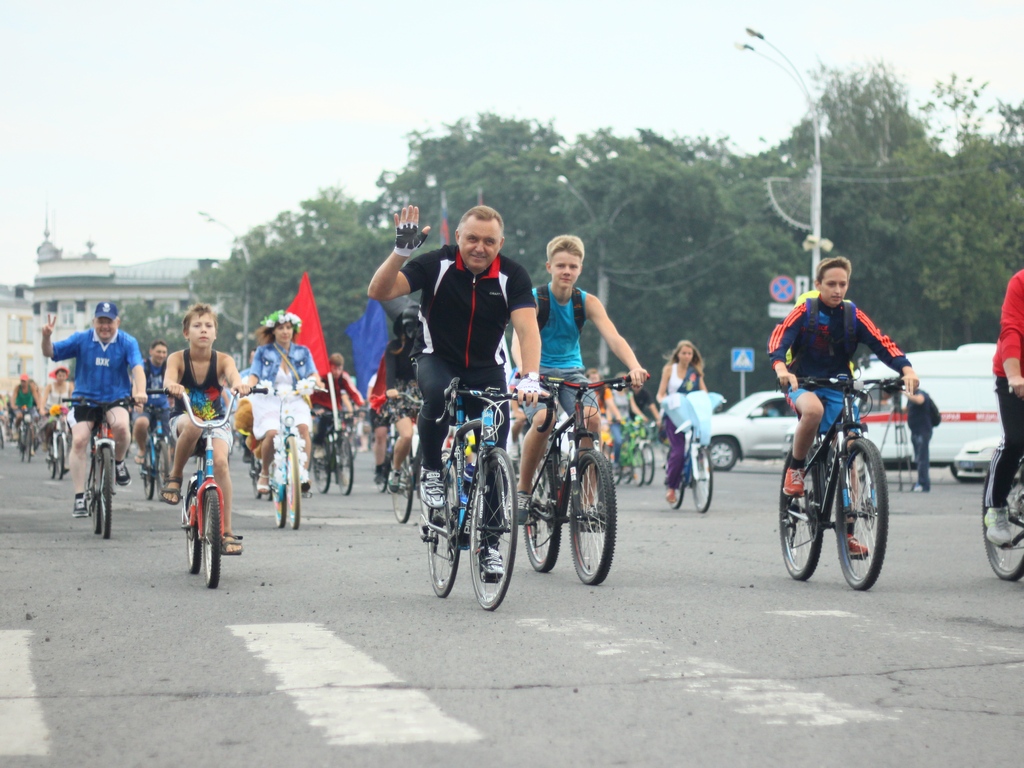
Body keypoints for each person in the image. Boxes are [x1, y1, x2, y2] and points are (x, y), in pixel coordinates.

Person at [368, 204, 545, 579]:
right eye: (472, 239)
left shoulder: (513, 275)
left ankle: (490, 547)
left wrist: (529, 376)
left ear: (501, 243)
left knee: (494, 454)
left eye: (489, 241)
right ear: (459, 237)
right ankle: (432, 469)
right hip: (437, 359)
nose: (480, 248)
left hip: (487, 368)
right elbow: (378, 290)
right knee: (437, 395)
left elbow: (527, 330)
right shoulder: (437, 263)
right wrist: (401, 252)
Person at [769, 256, 919, 557]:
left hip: (840, 386)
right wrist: (781, 369)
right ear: (818, 285)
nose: (838, 290)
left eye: (843, 284)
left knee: (850, 452)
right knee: (813, 412)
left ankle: (848, 532)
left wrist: (906, 369)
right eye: (831, 284)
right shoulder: (805, 311)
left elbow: (881, 342)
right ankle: (796, 470)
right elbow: (779, 338)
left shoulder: (852, 315)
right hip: (804, 384)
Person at [511, 235, 648, 515]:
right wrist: (528, 375)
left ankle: (585, 503)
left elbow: (613, 337)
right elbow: (518, 339)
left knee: (593, 419)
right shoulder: (535, 299)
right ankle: (524, 491)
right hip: (537, 371)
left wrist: (634, 366)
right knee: (542, 420)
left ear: (580, 269)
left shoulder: (586, 302)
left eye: (573, 266)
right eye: (561, 265)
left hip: (572, 372)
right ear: (549, 266)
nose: (567, 272)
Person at [159, 304, 250, 555]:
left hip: (216, 421)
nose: (203, 330)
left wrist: (239, 385)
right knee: (193, 427)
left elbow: (233, 375)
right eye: (197, 326)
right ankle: (175, 476)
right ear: (186, 332)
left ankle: (227, 532)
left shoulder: (223, 360)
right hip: (184, 419)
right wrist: (172, 386)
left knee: (221, 463)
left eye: (208, 326)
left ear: (215, 333)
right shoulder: (177, 358)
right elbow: (168, 378)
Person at [41, 302, 147, 517]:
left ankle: (118, 463)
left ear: (117, 322)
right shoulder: (82, 339)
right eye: (101, 321)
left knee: (122, 428)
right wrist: (46, 336)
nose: (105, 326)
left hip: (116, 398)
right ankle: (80, 497)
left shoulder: (127, 342)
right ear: (94, 322)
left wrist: (141, 391)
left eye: (109, 321)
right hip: (85, 399)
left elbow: (137, 368)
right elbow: (50, 352)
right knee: (79, 440)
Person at [245, 310, 323, 495]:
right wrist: (249, 386)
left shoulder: (303, 352)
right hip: (269, 398)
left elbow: (314, 374)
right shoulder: (263, 352)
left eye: (289, 328)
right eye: (281, 328)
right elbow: (254, 375)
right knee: (272, 433)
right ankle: (264, 473)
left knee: (303, 428)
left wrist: (316, 382)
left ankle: (302, 473)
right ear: (273, 331)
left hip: (295, 397)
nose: (285, 331)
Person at [983, 269, 1024, 545]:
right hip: (1014, 371)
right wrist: (1014, 376)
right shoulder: (1020, 283)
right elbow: (1011, 330)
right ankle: (995, 508)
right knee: (1016, 440)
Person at [367, 306, 419, 492]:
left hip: (420, 393)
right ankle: (396, 470)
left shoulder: (423, 346)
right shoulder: (393, 347)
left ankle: (428, 470)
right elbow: (390, 372)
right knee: (406, 435)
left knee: (432, 434)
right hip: (399, 394)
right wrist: (390, 389)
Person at [656, 340, 708, 504]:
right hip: (673, 414)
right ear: (678, 354)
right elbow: (660, 394)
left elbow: (703, 392)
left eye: (689, 353)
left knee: (698, 444)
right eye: (684, 353)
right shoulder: (669, 370)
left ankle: (695, 467)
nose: (686, 356)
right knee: (678, 451)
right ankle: (672, 487)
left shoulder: (695, 373)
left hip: (691, 414)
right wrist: (665, 403)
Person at [311, 352, 363, 458]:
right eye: (334, 368)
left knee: (341, 424)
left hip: (335, 407)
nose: (337, 372)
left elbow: (353, 392)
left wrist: (360, 404)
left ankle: (339, 447)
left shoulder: (343, 377)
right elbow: (312, 392)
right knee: (324, 422)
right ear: (329, 366)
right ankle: (319, 445)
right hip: (320, 404)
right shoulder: (322, 376)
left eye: (340, 369)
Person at [132, 339, 173, 466]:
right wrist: (136, 400)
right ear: (151, 352)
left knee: (175, 432)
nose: (161, 355)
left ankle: (168, 463)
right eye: (158, 352)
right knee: (141, 423)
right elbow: (135, 383)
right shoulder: (143, 366)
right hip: (145, 405)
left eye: (164, 352)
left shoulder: (168, 367)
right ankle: (142, 449)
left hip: (163, 406)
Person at [905, 389, 935, 492]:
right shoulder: (912, 397)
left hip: (923, 431)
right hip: (915, 431)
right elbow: (908, 409)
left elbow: (919, 400)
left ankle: (924, 484)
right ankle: (921, 482)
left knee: (922, 459)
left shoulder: (921, 394)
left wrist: (905, 393)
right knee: (919, 458)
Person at [41, 365, 75, 454]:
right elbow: (44, 399)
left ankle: (71, 444)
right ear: (56, 376)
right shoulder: (50, 386)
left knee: (71, 425)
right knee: (50, 424)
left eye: (63, 376)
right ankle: (46, 441)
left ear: (66, 376)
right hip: (51, 411)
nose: (61, 378)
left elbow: (73, 398)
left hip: (65, 411)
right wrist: (42, 409)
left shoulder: (69, 386)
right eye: (59, 375)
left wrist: (73, 408)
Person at [11, 373, 42, 454]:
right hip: (19, 407)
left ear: (27, 381)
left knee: (34, 419)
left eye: (24, 381)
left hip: (29, 407)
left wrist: (39, 406)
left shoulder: (31, 388)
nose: (23, 383)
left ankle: (32, 439)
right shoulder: (18, 388)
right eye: (22, 381)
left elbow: (36, 397)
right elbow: (13, 397)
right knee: (19, 416)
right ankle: (16, 431)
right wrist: (13, 405)